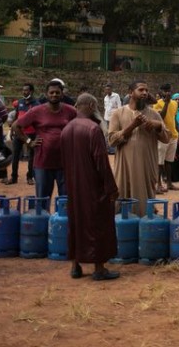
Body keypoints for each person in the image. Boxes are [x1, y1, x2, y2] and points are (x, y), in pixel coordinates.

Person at [61, 93, 120, 281]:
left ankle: (75, 266)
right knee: (97, 223)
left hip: (73, 184)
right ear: (90, 105)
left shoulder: (67, 129)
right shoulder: (93, 129)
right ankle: (99, 268)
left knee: (76, 222)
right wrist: (111, 187)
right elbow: (101, 163)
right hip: (93, 185)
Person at [108, 81, 169, 217]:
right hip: (125, 168)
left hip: (146, 167)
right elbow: (111, 141)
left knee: (145, 203)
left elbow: (166, 138)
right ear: (131, 92)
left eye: (146, 90)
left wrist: (158, 126)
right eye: (141, 90)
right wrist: (133, 125)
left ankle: (145, 226)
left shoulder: (154, 114)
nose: (145, 93)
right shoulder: (118, 113)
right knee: (122, 200)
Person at [13, 81, 77, 202]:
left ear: (62, 94)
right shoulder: (37, 111)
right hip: (43, 163)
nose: (54, 95)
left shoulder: (71, 111)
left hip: (65, 163)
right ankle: (44, 220)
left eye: (57, 92)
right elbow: (16, 126)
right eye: (51, 92)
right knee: (42, 200)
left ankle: (64, 221)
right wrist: (28, 141)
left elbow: (81, 125)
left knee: (66, 200)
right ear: (46, 94)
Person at [6, 84, 38, 186]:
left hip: (31, 134)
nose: (24, 92)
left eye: (26, 90)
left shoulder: (36, 104)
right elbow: (16, 117)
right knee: (15, 155)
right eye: (23, 90)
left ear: (31, 91)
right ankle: (13, 177)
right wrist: (11, 130)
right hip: (19, 133)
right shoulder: (19, 102)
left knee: (31, 156)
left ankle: (30, 177)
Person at [153, 83, 179, 192]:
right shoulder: (157, 104)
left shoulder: (175, 103)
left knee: (169, 161)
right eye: (164, 90)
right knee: (160, 161)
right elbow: (161, 117)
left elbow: (173, 118)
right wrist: (166, 103)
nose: (167, 92)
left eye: (168, 90)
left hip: (173, 135)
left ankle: (169, 183)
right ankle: (158, 184)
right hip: (162, 135)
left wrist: (178, 132)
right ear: (161, 92)